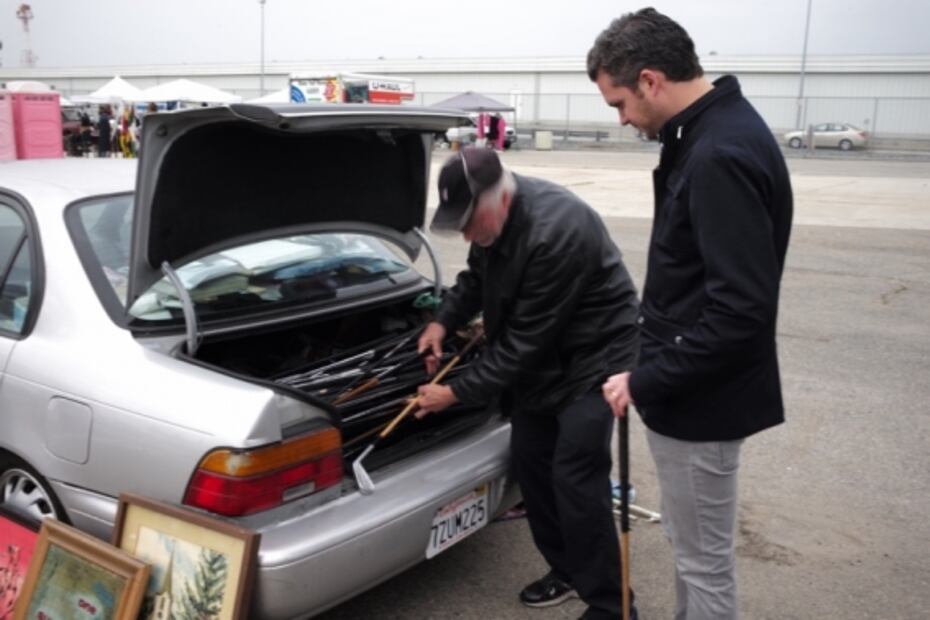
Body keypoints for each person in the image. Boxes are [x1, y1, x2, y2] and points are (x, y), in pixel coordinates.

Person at [588, 8, 793, 620]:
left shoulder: (718, 154)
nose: (622, 119)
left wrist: (646, 378)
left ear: (651, 79)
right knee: (692, 554)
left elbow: (739, 314)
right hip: (694, 391)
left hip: (702, 404)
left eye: (619, 103)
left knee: (703, 567)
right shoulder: (708, 133)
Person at [414, 147, 640, 620]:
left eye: (470, 223)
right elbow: (476, 278)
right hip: (542, 362)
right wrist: (441, 320)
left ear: (499, 200)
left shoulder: (558, 232)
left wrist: (452, 393)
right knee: (533, 468)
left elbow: (522, 344)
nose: (467, 234)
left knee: (577, 480)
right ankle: (567, 569)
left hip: (593, 362)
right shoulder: (491, 223)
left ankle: (612, 604)